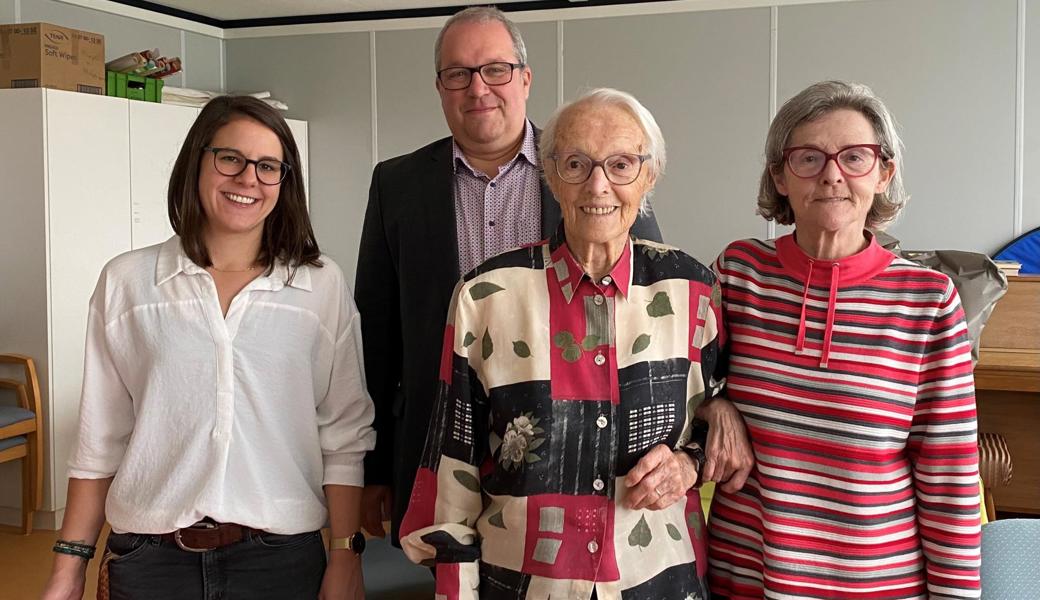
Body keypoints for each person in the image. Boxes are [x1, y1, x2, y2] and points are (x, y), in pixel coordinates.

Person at [399, 87, 751, 599]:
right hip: (523, 582)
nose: (598, 184)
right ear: (551, 176)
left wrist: (689, 462)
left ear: (648, 177)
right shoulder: (486, 295)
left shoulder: (692, 289)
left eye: (622, 165)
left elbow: (715, 413)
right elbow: (453, 468)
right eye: (576, 163)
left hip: (658, 580)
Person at [41, 96, 375, 600]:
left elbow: (343, 435)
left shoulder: (319, 286)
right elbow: (98, 441)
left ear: (285, 183)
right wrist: (69, 566)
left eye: (268, 166)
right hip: (150, 561)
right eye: (230, 159)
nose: (248, 179)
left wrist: (346, 555)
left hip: (280, 560)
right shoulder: (128, 282)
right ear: (196, 161)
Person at [355, 6, 663, 547]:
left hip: (569, 449)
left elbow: (647, 303)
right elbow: (376, 337)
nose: (479, 88)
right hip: (440, 444)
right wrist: (374, 467)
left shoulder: (590, 171)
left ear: (525, 78)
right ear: (440, 86)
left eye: (495, 69)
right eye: (459, 73)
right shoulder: (396, 185)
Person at [707, 80, 982, 599]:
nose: (832, 175)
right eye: (808, 158)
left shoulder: (927, 300)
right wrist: (714, 406)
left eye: (855, 157)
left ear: (884, 173)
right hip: (744, 580)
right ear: (779, 177)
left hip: (876, 585)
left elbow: (950, 477)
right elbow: (675, 380)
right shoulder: (738, 273)